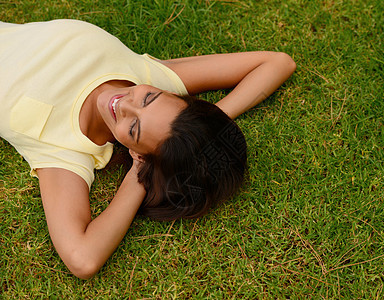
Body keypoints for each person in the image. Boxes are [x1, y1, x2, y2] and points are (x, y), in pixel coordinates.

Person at [0, 19, 296, 279]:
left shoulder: (64, 147)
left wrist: (139, 175)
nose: (123, 103)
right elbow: (278, 62)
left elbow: (83, 259)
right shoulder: (152, 76)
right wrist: (211, 123)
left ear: (138, 153)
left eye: (133, 128)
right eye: (149, 99)